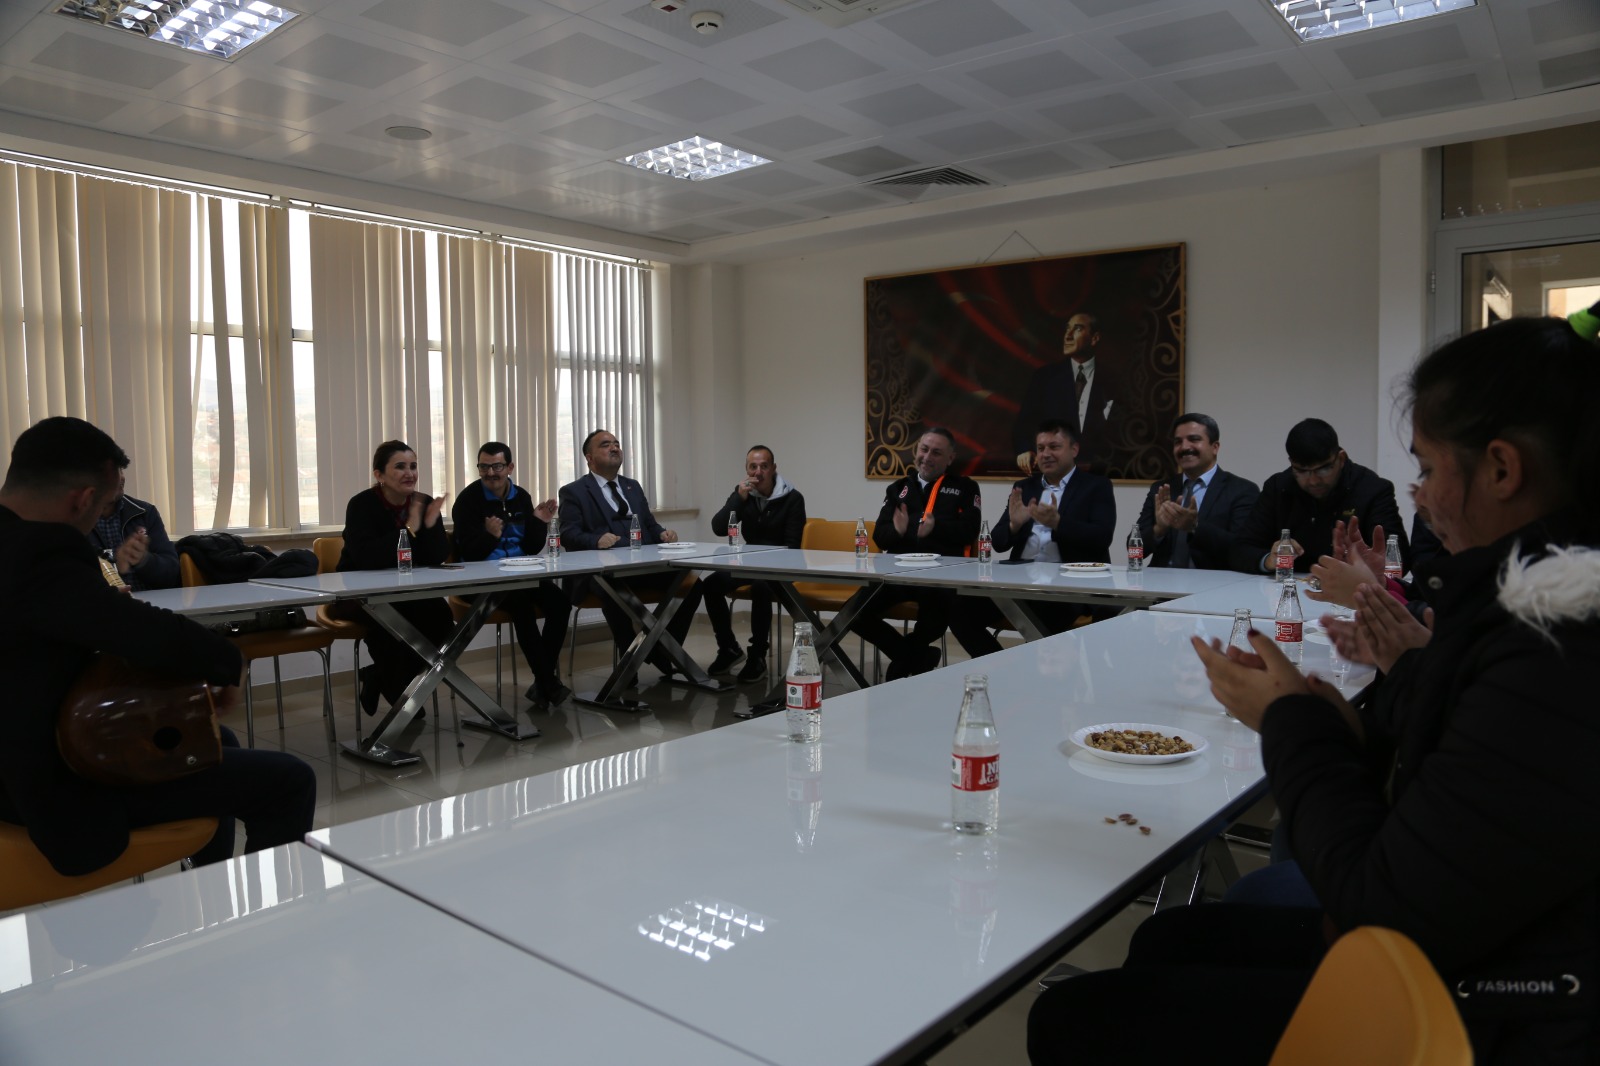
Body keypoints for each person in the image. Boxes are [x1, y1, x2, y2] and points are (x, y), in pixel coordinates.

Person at [1029, 315, 1600, 1065]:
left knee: (1070, 1019)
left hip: (1474, 1011)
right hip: (1452, 947)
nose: (1421, 495)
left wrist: (1294, 721)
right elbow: (1456, 784)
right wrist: (1370, 704)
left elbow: (1378, 906)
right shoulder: (1520, 616)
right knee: (1168, 936)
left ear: (1501, 470)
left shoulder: (1555, 650)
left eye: (1430, 468)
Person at [0, 416, 315, 877]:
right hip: (42, 784)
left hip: (26, 752)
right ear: (83, 499)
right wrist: (228, 659)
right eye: (101, 506)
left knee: (211, 738)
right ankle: (263, 914)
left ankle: (207, 884)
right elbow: (134, 629)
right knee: (290, 779)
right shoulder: (40, 549)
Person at [951, 420, 1114, 657]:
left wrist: (1058, 523)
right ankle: (1002, 671)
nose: (1045, 454)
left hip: (1067, 588)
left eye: (1054, 447)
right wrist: (1014, 525)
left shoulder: (1096, 486)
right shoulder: (1025, 487)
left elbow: (1102, 538)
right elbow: (998, 542)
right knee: (959, 609)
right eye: (1040, 448)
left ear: (1074, 449)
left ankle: (1041, 670)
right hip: (1019, 584)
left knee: (1046, 620)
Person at [557, 429, 702, 677]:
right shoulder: (574, 491)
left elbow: (649, 525)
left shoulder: (632, 487)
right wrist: (596, 540)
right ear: (589, 458)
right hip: (601, 574)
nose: (614, 447)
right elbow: (568, 533)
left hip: (643, 568)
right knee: (615, 591)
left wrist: (663, 534)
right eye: (605, 445)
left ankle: (661, 650)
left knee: (692, 585)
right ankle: (629, 668)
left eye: (616, 443)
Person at [335, 440, 454, 716]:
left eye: (413, 466)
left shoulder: (423, 502)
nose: (409, 473)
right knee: (388, 626)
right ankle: (402, 696)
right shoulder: (361, 505)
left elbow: (436, 556)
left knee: (441, 619)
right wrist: (410, 529)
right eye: (400, 467)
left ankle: (380, 676)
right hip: (359, 594)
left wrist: (430, 527)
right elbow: (367, 559)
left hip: (407, 592)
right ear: (379, 474)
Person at [854, 427, 981, 680]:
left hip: (941, 577)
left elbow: (970, 531)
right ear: (916, 451)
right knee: (854, 614)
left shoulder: (965, 487)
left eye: (936, 453)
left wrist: (937, 527)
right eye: (924, 449)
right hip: (897, 574)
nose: (927, 457)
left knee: (935, 622)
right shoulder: (898, 488)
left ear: (950, 458)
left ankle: (907, 658)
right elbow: (880, 536)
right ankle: (912, 656)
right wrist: (898, 531)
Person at [451, 442, 572, 707]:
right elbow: (468, 554)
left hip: (519, 574)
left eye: (497, 466)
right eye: (484, 467)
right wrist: (489, 536)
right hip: (479, 580)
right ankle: (548, 682)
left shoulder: (522, 497)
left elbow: (530, 548)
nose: (490, 473)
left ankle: (543, 682)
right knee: (521, 605)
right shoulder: (468, 501)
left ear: (510, 467)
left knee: (561, 603)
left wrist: (539, 523)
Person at [1229, 417, 1408, 575]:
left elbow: (1400, 558)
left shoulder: (1372, 489)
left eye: (1323, 469)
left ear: (1341, 458)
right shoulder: (1278, 487)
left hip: (1353, 590)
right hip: (1288, 588)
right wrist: (1269, 559)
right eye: (1302, 471)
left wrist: (1363, 564)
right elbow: (1240, 549)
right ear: (1291, 463)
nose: (1313, 481)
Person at [704, 445, 807, 683]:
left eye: (764, 466)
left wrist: (763, 558)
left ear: (774, 469)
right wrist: (738, 499)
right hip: (749, 564)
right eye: (753, 467)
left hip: (782, 565)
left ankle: (758, 655)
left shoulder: (792, 498)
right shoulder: (743, 495)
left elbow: (792, 546)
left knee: (761, 586)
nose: (758, 472)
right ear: (746, 469)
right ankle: (728, 648)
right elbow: (718, 528)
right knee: (710, 584)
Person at [1134, 413, 1260, 569]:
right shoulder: (1162, 488)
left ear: (1215, 447)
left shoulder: (1242, 490)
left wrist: (1195, 527)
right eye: (1178, 442)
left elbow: (1243, 550)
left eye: (1194, 439)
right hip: (1161, 581)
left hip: (1213, 582)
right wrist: (1159, 530)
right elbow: (1133, 550)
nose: (1184, 447)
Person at [1012, 312, 1127, 472]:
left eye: (1077, 329)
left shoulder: (1113, 380)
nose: (1068, 336)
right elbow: (1024, 425)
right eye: (1067, 329)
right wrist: (1025, 451)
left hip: (1099, 473)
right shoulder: (1045, 377)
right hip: (1053, 473)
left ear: (1094, 338)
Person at [87, 470, 179, 591]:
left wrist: (143, 560)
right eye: (111, 471)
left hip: (149, 600)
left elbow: (172, 574)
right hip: (102, 601)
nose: (120, 477)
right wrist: (114, 566)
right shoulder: (74, 519)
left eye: (120, 470)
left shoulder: (145, 512)